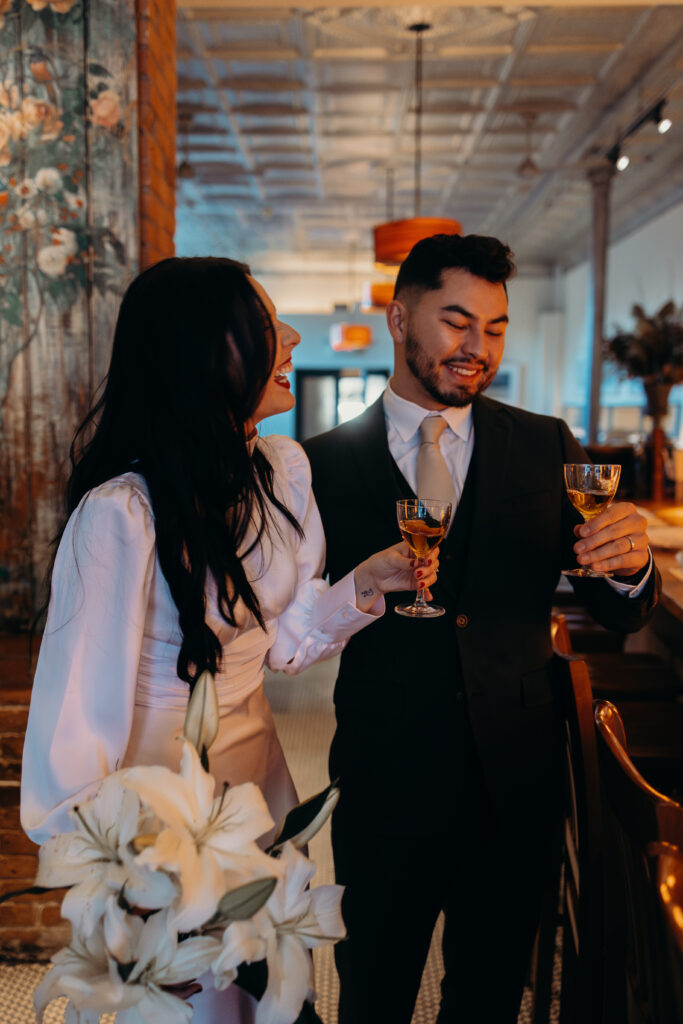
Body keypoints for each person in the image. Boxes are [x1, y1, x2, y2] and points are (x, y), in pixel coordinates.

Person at [20, 256, 439, 1023]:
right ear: (202, 352)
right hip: (159, 819)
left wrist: (367, 584)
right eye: (264, 323)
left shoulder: (280, 473)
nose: (292, 336)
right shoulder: (122, 514)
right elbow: (72, 727)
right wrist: (125, 892)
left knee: (268, 996)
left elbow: (281, 645)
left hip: (258, 792)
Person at [302, 233, 660, 1024]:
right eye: (455, 321)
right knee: (373, 989)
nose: (477, 348)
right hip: (384, 774)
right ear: (398, 319)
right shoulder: (319, 465)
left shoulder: (544, 446)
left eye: (494, 327)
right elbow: (290, 623)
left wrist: (628, 563)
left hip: (517, 776)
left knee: (491, 993)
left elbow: (619, 609)